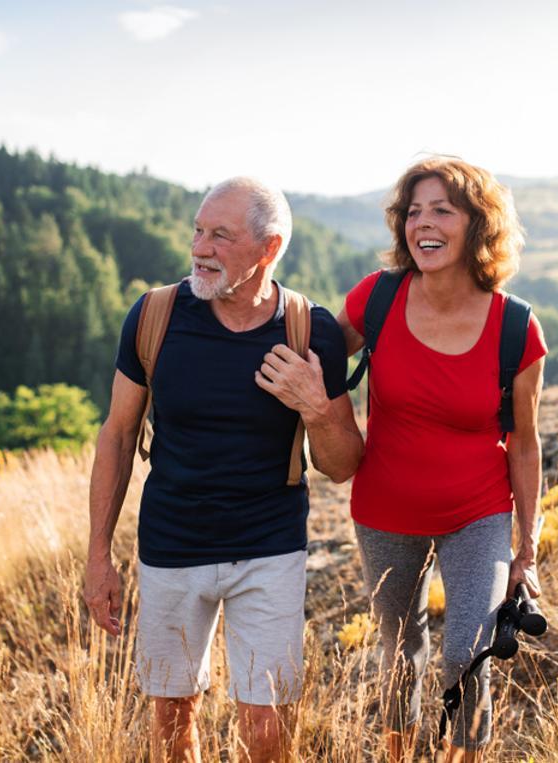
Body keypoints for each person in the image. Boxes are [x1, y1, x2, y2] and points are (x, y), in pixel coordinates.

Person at [269, 156, 546, 761]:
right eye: (413, 211)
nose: (424, 221)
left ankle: (463, 752)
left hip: (479, 513)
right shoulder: (380, 297)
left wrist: (529, 537)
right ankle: (399, 750)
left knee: (467, 651)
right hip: (384, 509)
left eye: (442, 209)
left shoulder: (516, 327)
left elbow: (524, 442)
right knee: (400, 648)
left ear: (478, 224)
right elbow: (314, 354)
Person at [84, 176, 362, 763]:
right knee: (171, 716)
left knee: (265, 725)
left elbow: (342, 466)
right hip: (170, 547)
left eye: (220, 236)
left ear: (270, 248)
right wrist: (97, 554)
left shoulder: (310, 331)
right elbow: (117, 434)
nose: (200, 248)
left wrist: (314, 405)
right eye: (198, 231)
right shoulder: (155, 315)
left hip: (269, 548)